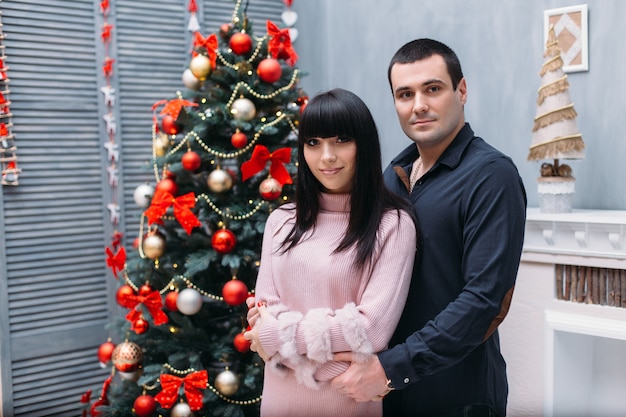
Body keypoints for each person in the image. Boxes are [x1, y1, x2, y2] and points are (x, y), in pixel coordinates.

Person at [330, 39, 527, 417]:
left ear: (461, 91)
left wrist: (391, 369)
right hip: (387, 396)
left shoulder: (492, 176)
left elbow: (483, 301)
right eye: (405, 94)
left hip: (456, 396)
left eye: (432, 89)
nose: (418, 105)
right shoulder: (392, 176)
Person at [243, 88, 418, 417]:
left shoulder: (393, 224)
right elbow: (266, 310)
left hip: (349, 403)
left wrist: (278, 340)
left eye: (340, 141)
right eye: (313, 143)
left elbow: (371, 329)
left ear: (363, 145)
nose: (326, 156)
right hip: (281, 403)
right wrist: (337, 361)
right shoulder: (281, 221)